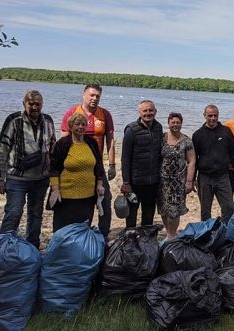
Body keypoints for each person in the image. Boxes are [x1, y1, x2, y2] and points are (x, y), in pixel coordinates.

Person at [0, 90, 56, 249]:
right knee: (13, 214)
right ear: (24, 104)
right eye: (31, 104)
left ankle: (32, 249)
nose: (34, 107)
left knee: (36, 216)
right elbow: (2, 149)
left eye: (38, 104)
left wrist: (55, 177)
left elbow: (53, 149)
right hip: (17, 179)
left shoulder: (48, 121)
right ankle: (3, 248)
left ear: (42, 104)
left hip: (41, 179)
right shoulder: (14, 120)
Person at [60, 84, 115, 232]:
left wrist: (112, 165)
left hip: (96, 166)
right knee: (81, 202)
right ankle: (78, 232)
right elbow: (63, 144)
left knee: (105, 201)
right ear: (84, 95)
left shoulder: (105, 115)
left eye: (97, 96)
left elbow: (110, 141)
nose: (94, 98)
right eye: (91, 95)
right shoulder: (72, 113)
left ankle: (103, 234)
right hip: (75, 166)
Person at [47, 113, 107, 233]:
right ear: (70, 126)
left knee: (83, 229)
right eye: (77, 124)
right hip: (66, 197)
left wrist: (100, 184)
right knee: (63, 230)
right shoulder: (62, 144)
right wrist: (55, 189)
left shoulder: (91, 143)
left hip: (88, 196)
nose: (81, 127)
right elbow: (54, 168)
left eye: (83, 124)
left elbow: (99, 166)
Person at [192, 105, 234, 222]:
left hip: (222, 176)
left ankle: (224, 230)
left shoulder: (226, 131)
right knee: (205, 210)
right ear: (204, 116)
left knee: (229, 207)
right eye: (210, 116)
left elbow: (233, 153)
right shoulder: (198, 135)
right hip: (204, 177)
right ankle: (206, 233)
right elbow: (193, 159)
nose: (213, 118)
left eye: (215, 116)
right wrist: (192, 178)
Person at [120, 100, 163, 228]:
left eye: (151, 110)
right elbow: (125, 157)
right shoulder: (131, 129)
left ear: (155, 112)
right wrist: (126, 182)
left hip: (153, 181)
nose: (148, 113)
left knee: (149, 215)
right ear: (139, 112)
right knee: (131, 214)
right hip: (135, 181)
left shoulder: (158, 127)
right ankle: (130, 240)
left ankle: (146, 242)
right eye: (145, 111)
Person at [158, 113, 195, 239]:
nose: (175, 125)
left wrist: (189, 181)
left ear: (181, 124)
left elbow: (192, 161)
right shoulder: (162, 138)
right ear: (168, 123)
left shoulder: (186, 141)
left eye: (177, 123)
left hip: (178, 182)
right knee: (163, 208)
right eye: (173, 122)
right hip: (162, 181)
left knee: (174, 211)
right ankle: (168, 234)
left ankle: (172, 236)